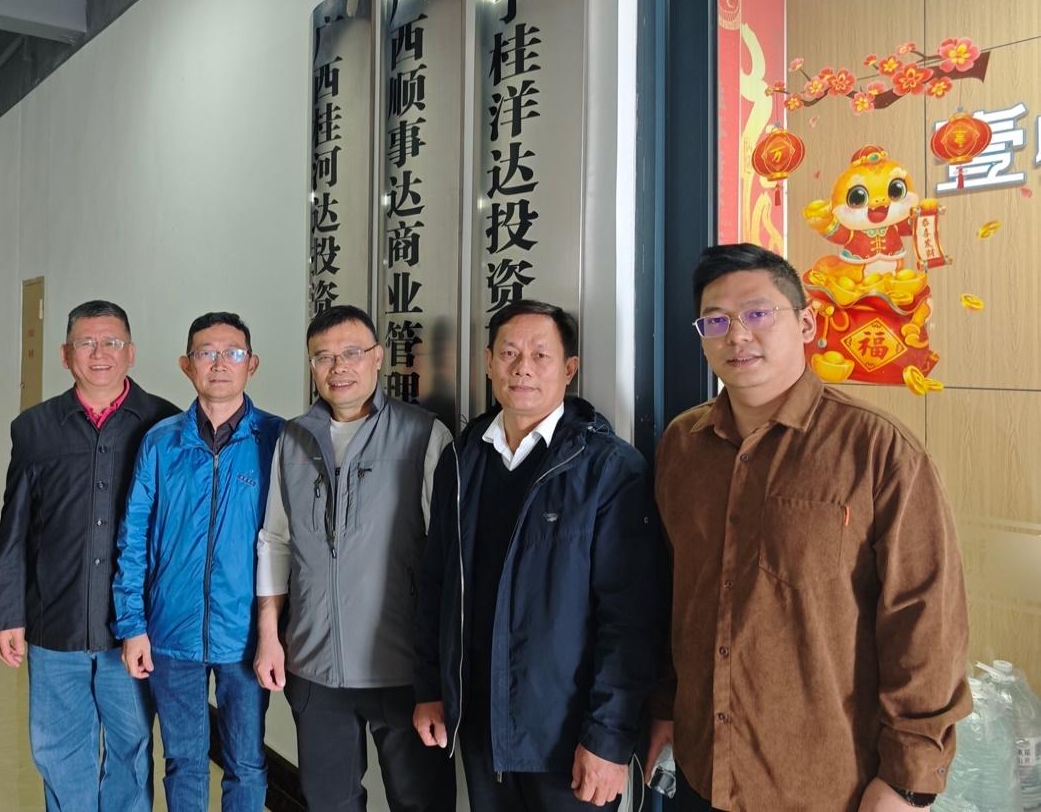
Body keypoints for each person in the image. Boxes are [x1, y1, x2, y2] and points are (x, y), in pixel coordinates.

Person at [645, 243, 970, 811]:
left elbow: (925, 619)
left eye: (757, 313)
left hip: (825, 784)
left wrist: (908, 781)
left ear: (805, 323)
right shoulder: (682, 445)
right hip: (701, 766)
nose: (736, 335)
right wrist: (665, 706)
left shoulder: (877, 449)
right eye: (715, 320)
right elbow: (676, 594)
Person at [413, 300, 664, 811]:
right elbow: (436, 582)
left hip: (568, 741)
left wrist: (608, 737)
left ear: (569, 369)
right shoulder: (461, 459)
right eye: (509, 353)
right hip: (481, 727)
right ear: (488, 362)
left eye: (540, 355)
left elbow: (631, 619)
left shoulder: (608, 468)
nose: (522, 367)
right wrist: (432, 687)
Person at [254, 304, 456, 812]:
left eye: (351, 353)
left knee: (421, 802)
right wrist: (270, 636)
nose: (338, 367)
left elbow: (447, 561)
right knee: (329, 802)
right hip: (314, 667)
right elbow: (276, 541)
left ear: (378, 358)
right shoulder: (292, 439)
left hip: (403, 671)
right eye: (323, 357)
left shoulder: (424, 435)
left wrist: (439, 671)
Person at [0, 300, 179, 811]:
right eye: (86, 343)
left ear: (131, 352)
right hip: (55, 622)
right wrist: (7, 614)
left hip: (133, 630)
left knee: (131, 750)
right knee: (59, 752)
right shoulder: (34, 428)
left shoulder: (164, 423)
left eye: (111, 342)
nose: (99, 354)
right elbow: (14, 529)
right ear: (65, 354)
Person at [113, 311, 283, 812]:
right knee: (183, 760)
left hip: (245, 636)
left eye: (232, 353)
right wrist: (132, 625)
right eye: (206, 353)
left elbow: (290, 543)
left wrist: (276, 632)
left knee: (246, 761)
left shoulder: (276, 440)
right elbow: (133, 537)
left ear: (252, 363)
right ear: (186, 365)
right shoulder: (161, 441)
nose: (219, 363)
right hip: (170, 633)